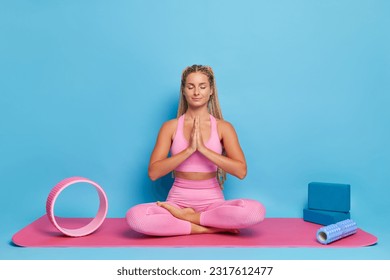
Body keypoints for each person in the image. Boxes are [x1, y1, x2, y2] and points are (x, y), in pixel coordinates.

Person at [126, 65, 265, 236]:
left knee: (255, 211)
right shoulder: (170, 127)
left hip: (213, 204)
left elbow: (241, 171)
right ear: (183, 90)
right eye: (191, 86)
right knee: (136, 217)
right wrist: (189, 150)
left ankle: (190, 219)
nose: (196, 92)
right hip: (177, 202)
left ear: (211, 90)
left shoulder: (223, 128)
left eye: (202, 86)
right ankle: (208, 228)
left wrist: (203, 149)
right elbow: (154, 172)